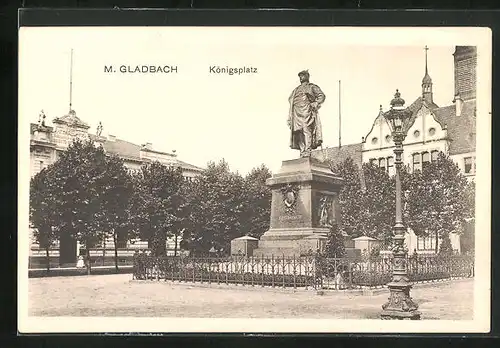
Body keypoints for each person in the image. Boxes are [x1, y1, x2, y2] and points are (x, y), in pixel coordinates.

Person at [288, 70, 326, 157]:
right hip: (296, 113)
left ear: (307, 76)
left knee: (306, 130)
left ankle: (307, 150)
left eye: (302, 75)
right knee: (298, 132)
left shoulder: (311, 87)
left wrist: (316, 103)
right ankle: (302, 151)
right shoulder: (296, 90)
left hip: (306, 112)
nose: (301, 77)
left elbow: (321, 95)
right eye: (300, 76)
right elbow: (290, 99)